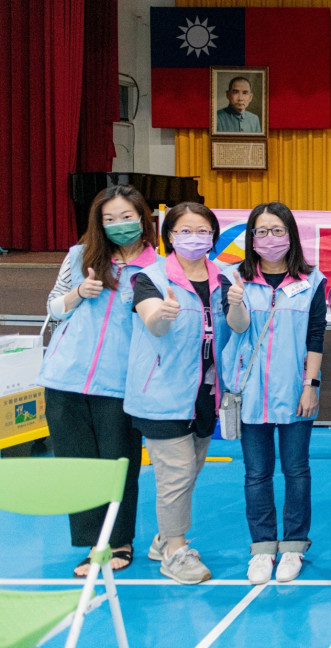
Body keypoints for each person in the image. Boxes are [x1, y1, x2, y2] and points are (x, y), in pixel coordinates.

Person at [38, 185, 159, 578]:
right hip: (65, 379)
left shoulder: (156, 268)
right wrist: (78, 292)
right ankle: (94, 545)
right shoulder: (80, 256)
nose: (118, 225)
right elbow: (54, 307)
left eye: (126, 217)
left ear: (142, 218)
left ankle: (119, 541)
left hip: (121, 384)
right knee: (77, 465)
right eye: (109, 219)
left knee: (117, 465)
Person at [124, 201, 229, 585]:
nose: (194, 238)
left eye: (202, 230)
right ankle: (175, 550)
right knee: (177, 471)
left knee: (191, 470)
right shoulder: (150, 278)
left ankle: (163, 538)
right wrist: (160, 316)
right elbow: (152, 321)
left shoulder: (225, 277)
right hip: (161, 393)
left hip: (206, 392)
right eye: (184, 230)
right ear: (169, 236)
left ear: (214, 236)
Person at [221, 202, 327, 584]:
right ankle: (263, 548)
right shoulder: (234, 278)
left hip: (295, 392)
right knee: (256, 474)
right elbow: (237, 328)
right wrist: (235, 303)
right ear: (251, 238)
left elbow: (316, 337)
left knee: (297, 471)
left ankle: (294, 546)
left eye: (277, 230)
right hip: (250, 393)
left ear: (291, 235)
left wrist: (310, 385)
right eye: (262, 231)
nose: (269, 238)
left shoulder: (312, 281)